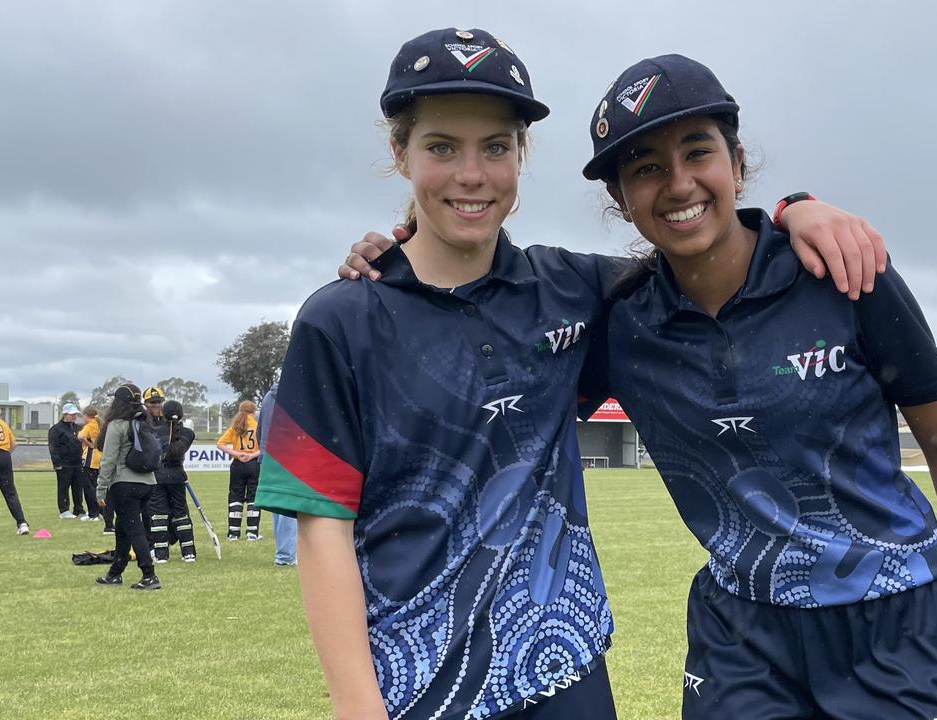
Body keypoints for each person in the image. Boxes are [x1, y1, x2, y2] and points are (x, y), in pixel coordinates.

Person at [266, 28, 888, 720]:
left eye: (496, 147)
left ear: (521, 154)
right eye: (441, 147)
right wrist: (358, 708)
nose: (472, 174)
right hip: (416, 689)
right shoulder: (337, 321)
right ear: (399, 153)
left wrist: (794, 208)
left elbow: (703, 251)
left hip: (566, 673)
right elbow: (322, 528)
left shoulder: (577, 291)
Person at [578, 54, 937, 720]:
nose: (677, 184)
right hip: (740, 636)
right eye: (645, 167)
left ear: (735, 162)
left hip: (896, 621)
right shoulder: (619, 319)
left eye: (697, 153)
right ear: (621, 198)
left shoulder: (845, 274)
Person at [94, 384, 161, 590]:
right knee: (122, 526)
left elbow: (109, 460)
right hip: (147, 482)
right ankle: (116, 572)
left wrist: (101, 487)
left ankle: (149, 574)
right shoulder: (143, 422)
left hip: (125, 483)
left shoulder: (117, 425)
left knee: (134, 528)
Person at [147, 400, 197, 563]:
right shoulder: (189, 433)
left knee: (158, 515)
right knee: (181, 515)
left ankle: (161, 554)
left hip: (158, 476)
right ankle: (188, 552)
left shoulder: (152, 431)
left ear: (163, 412)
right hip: (177, 476)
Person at [257, 386, 295, 566]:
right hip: (288, 455)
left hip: (268, 454)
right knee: (290, 506)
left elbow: (259, 429)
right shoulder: (294, 393)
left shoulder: (267, 397)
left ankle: (283, 552)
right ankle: (286, 555)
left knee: (278, 510)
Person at [0, 397, 29, 535]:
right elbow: (14, 444)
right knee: (10, 493)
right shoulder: (1, 422)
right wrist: (3, 455)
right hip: (4, 456)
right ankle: (22, 523)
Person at [218, 400, 261, 541]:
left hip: (237, 465)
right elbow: (264, 447)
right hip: (254, 464)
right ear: (253, 412)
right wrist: (251, 455)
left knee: (235, 497)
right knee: (253, 498)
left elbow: (220, 444)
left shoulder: (236, 426)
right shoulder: (257, 426)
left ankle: (233, 533)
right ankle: (252, 533)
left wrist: (237, 454)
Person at [49, 403, 87, 518]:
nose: (74, 416)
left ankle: (78, 509)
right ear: (65, 414)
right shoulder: (56, 429)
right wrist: (56, 463)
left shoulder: (78, 428)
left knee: (78, 487)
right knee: (63, 487)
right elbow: (53, 447)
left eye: (75, 414)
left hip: (77, 463)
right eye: (72, 414)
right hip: (64, 464)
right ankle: (64, 510)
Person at [79, 406, 113, 534]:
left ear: (87, 415)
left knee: (89, 488)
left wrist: (89, 444)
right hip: (100, 458)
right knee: (100, 486)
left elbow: (81, 437)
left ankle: (93, 513)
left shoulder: (89, 425)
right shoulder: (101, 424)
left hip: (91, 458)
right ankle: (100, 511)